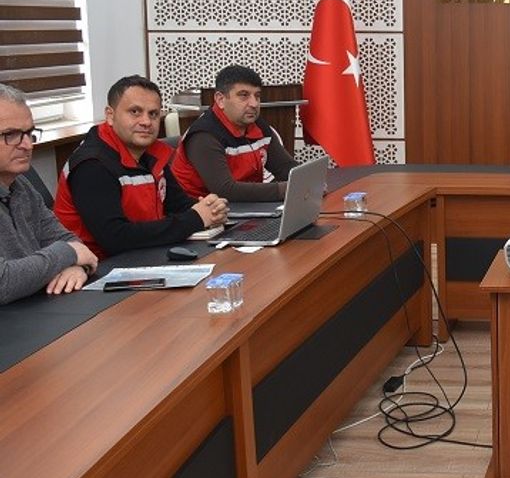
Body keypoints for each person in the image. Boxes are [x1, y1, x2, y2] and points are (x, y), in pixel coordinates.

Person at [54, 75, 228, 257]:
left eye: (153, 114)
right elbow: (115, 238)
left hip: (143, 254)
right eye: (135, 112)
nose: (146, 122)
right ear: (110, 116)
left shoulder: (150, 153)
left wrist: (211, 208)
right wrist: (195, 218)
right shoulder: (92, 165)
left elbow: (178, 205)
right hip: (97, 266)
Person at [0, 84, 98, 304]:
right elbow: (3, 282)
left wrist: (77, 268)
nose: (27, 145)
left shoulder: (21, 186)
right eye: (10, 135)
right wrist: (67, 254)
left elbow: (71, 242)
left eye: (29, 133)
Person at [170, 65, 297, 201]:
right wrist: (285, 190)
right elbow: (225, 190)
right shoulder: (203, 136)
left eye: (257, 96)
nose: (254, 104)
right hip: (199, 208)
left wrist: (306, 181)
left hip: (242, 206)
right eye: (244, 95)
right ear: (220, 100)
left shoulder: (257, 125)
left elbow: (285, 167)